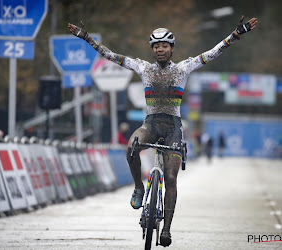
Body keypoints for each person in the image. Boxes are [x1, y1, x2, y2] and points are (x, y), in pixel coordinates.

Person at [68, 15, 257, 246]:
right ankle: (138, 187)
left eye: (164, 46)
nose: (160, 50)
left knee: (170, 178)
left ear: (172, 48)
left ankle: (166, 229)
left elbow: (213, 52)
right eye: (156, 46)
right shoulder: (143, 67)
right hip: (150, 124)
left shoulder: (184, 68)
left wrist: (236, 34)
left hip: (173, 128)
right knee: (131, 146)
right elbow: (111, 56)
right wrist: (87, 38)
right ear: (152, 49)